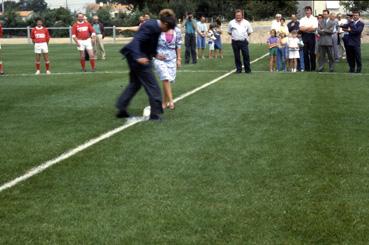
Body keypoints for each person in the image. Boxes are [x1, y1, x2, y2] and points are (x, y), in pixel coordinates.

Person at [116, 9, 177, 121]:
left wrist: (155, 54)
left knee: (135, 84)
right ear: (165, 23)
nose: (167, 31)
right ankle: (155, 115)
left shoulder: (157, 27)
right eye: (168, 28)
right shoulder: (151, 26)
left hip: (135, 55)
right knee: (153, 86)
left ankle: (121, 108)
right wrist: (139, 57)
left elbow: (150, 44)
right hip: (137, 57)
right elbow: (136, 41)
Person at [153, 17, 182, 110]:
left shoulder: (177, 30)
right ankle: (171, 101)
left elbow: (179, 45)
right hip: (159, 58)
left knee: (168, 80)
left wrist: (179, 59)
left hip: (172, 58)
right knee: (165, 77)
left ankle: (164, 103)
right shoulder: (158, 30)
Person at [228, 9, 253, 74]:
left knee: (246, 55)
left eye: (239, 15)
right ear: (235, 15)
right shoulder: (231, 23)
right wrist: (236, 36)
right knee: (237, 56)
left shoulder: (246, 22)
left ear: (242, 15)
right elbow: (229, 32)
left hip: (243, 42)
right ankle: (238, 69)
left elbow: (249, 32)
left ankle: (247, 70)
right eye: (237, 15)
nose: (238, 16)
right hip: (235, 42)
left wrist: (243, 37)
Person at [300, 6, 318, 71]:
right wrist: (309, 28)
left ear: (311, 11)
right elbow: (301, 28)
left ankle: (313, 68)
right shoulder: (302, 19)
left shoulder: (314, 19)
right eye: (306, 10)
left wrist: (306, 28)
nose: (307, 12)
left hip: (311, 36)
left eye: (308, 10)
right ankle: (307, 68)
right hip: (304, 36)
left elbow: (314, 28)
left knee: (312, 53)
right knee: (305, 53)